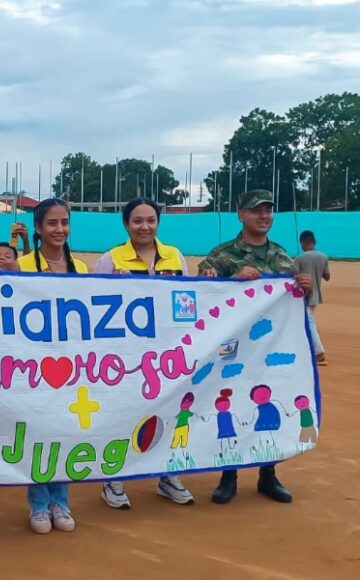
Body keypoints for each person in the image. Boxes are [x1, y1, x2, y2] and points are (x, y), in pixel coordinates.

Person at [198, 189, 312, 505]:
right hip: (232, 349)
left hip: (271, 350)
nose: (263, 216)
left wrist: (303, 288)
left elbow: (294, 305)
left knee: (270, 402)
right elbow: (201, 290)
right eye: (255, 211)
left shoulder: (284, 257)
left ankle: (268, 474)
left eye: (268, 210)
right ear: (241, 214)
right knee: (231, 406)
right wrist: (232, 278)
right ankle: (228, 475)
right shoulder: (222, 255)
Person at [94, 198, 194, 508]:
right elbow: (91, 305)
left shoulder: (174, 257)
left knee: (169, 410)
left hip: (167, 355)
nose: (145, 226)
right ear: (126, 224)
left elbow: (188, 302)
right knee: (124, 413)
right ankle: (114, 477)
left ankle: (168, 474)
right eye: (137, 220)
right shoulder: (111, 260)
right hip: (125, 357)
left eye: (150, 220)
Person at [16, 197, 88, 534]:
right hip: (31, 366)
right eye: (52, 224)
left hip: (72, 365)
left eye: (64, 223)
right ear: (39, 228)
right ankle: (39, 505)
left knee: (64, 431)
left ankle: (62, 501)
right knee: (37, 433)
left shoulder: (82, 269)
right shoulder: (22, 266)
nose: (59, 230)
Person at [294, 230, 330, 366]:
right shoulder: (324, 257)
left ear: (303, 243)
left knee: (309, 323)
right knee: (306, 321)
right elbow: (327, 277)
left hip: (304, 296)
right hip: (316, 295)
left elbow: (294, 276)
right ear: (314, 242)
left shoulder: (299, 258)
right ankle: (305, 348)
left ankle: (319, 352)